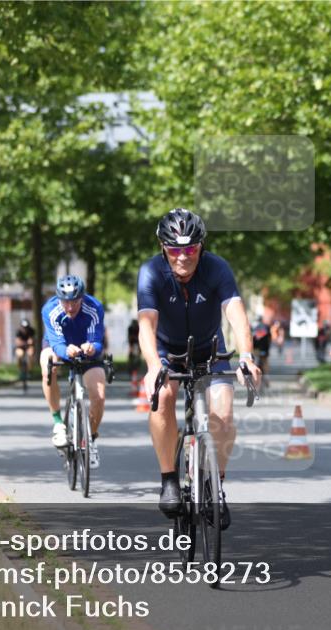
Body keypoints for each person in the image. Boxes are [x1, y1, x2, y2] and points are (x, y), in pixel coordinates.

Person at [136, 208, 261, 527]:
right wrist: (153, 366)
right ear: (163, 247)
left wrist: (246, 356)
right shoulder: (151, 272)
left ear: (201, 247)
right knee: (162, 397)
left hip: (209, 348)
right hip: (167, 350)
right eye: (175, 249)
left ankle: (215, 485)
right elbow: (147, 325)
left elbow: (235, 313)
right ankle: (168, 480)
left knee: (224, 412)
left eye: (190, 249)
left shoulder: (217, 268)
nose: (183, 257)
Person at [40, 274, 107, 469]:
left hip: (87, 351)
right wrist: (65, 351)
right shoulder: (50, 310)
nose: (70, 307)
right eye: (65, 302)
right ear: (59, 299)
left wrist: (92, 347)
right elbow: (57, 344)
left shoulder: (94, 307)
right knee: (47, 364)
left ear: (82, 297)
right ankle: (58, 423)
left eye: (75, 302)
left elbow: (97, 341)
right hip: (59, 346)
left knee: (99, 395)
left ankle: (91, 439)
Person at [252, 318, 272, 382]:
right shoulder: (266, 327)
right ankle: (267, 377)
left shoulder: (254, 327)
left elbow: (252, 339)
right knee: (265, 361)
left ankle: (253, 377)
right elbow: (269, 338)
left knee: (254, 361)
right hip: (264, 348)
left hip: (256, 348)